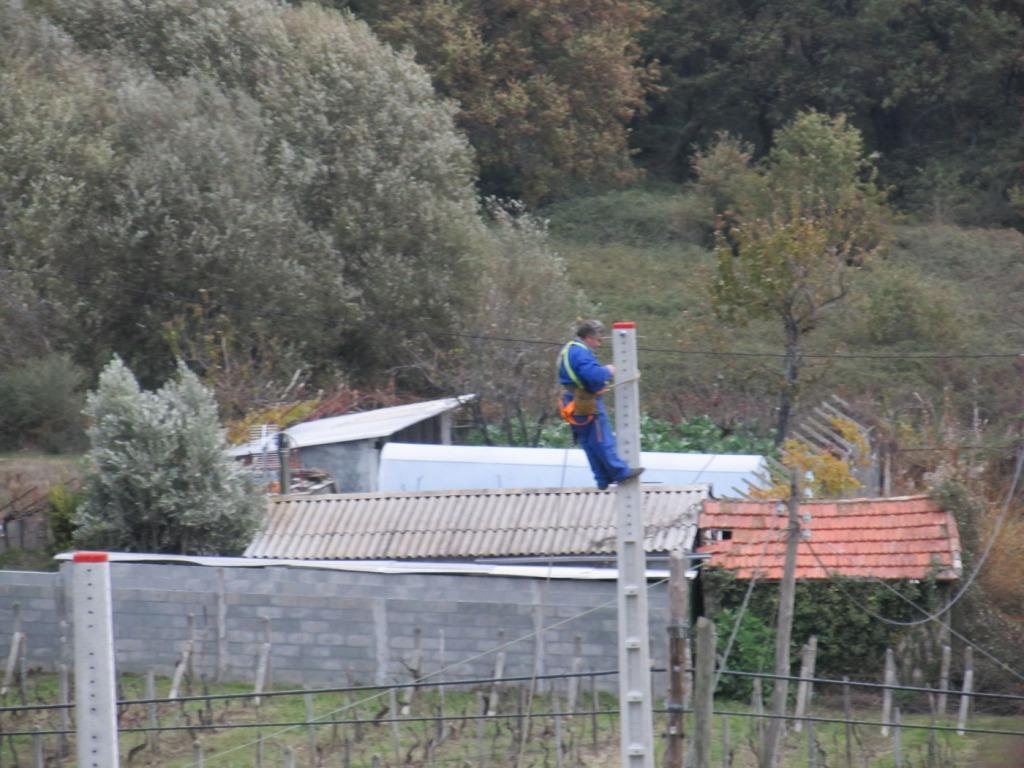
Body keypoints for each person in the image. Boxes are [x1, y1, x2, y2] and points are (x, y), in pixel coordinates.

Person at [558, 319, 644, 490]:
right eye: (598, 339)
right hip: (585, 401)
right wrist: (608, 370)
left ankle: (602, 478)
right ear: (589, 337)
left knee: (588, 442)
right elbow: (593, 375)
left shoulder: (569, 349)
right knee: (601, 438)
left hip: (573, 400)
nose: (599, 343)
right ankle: (620, 472)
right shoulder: (581, 353)